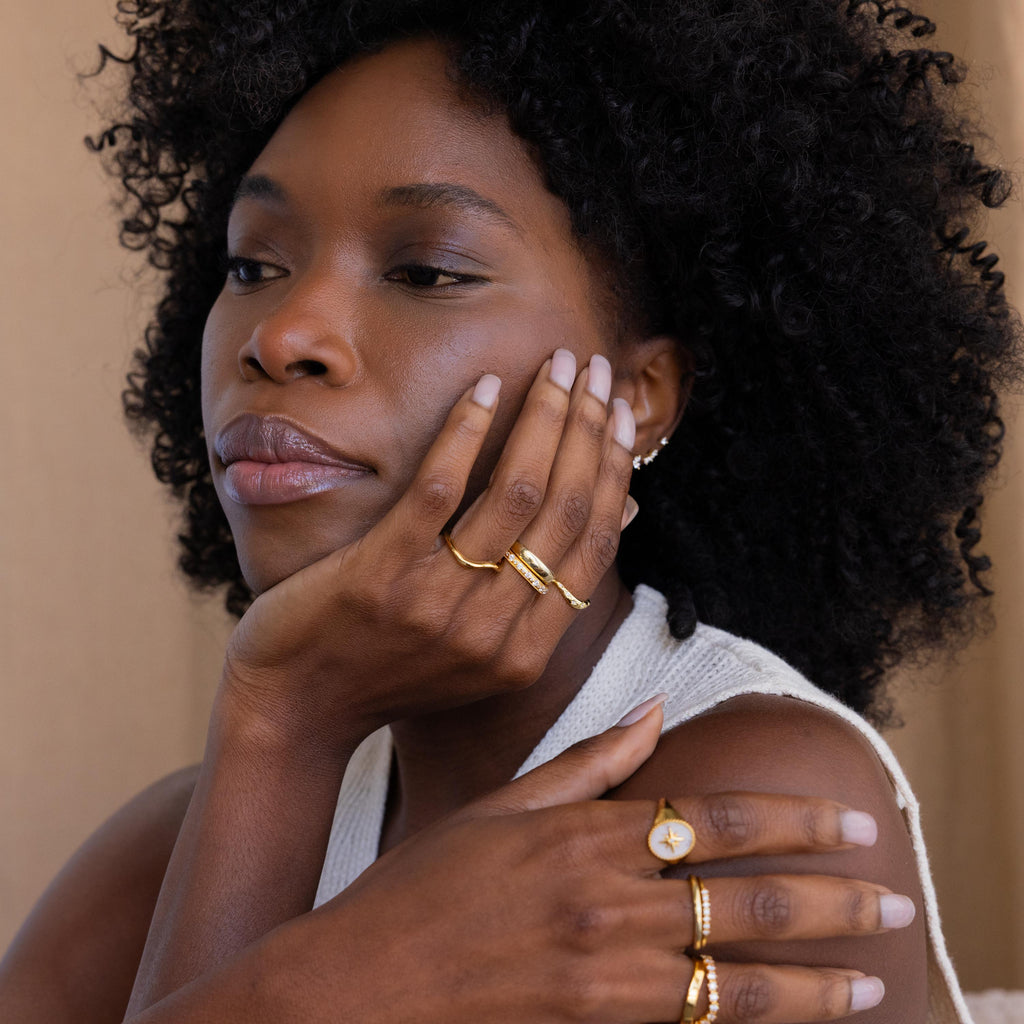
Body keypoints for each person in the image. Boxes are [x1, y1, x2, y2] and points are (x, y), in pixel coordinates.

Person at [0, 1, 1017, 1021]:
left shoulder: (746, 808)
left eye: (426, 271)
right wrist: (283, 732)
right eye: (252, 266)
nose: (281, 334)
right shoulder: (184, 839)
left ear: (639, 397)